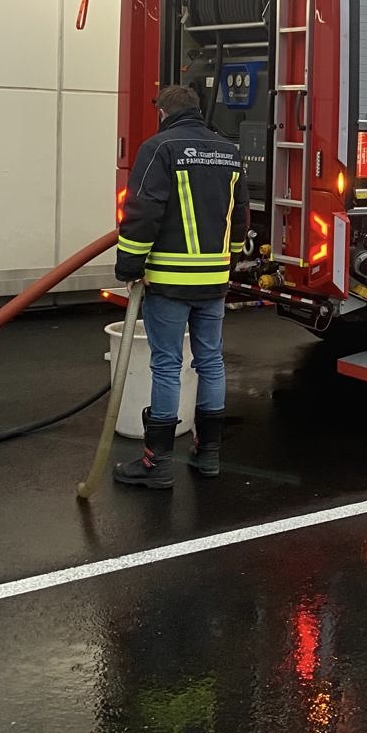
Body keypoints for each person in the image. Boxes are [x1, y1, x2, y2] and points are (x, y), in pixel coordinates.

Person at [113, 84, 248, 490]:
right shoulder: (229, 151)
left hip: (170, 280)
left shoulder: (160, 148)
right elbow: (240, 214)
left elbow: (143, 210)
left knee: (167, 365)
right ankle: (208, 455)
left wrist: (129, 265)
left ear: (163, 112)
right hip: (214, 279)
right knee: (211, 362)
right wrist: (230, 260)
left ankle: (157, 464)